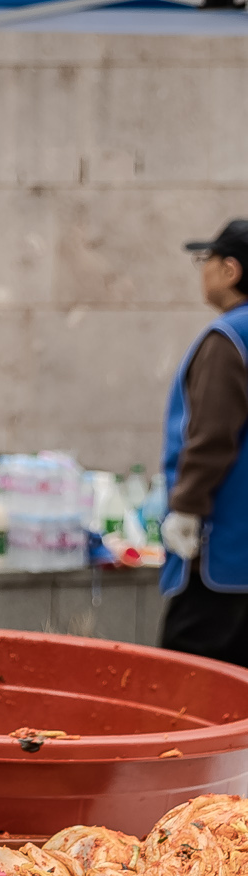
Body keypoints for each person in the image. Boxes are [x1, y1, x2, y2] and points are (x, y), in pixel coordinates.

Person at [158, 218, 248, 664]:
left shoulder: (230, 338)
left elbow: (211, 437)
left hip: (225, 553)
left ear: (230, 270)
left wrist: (187, 508)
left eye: (205, 261)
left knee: (189, 683)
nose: (203, 271)